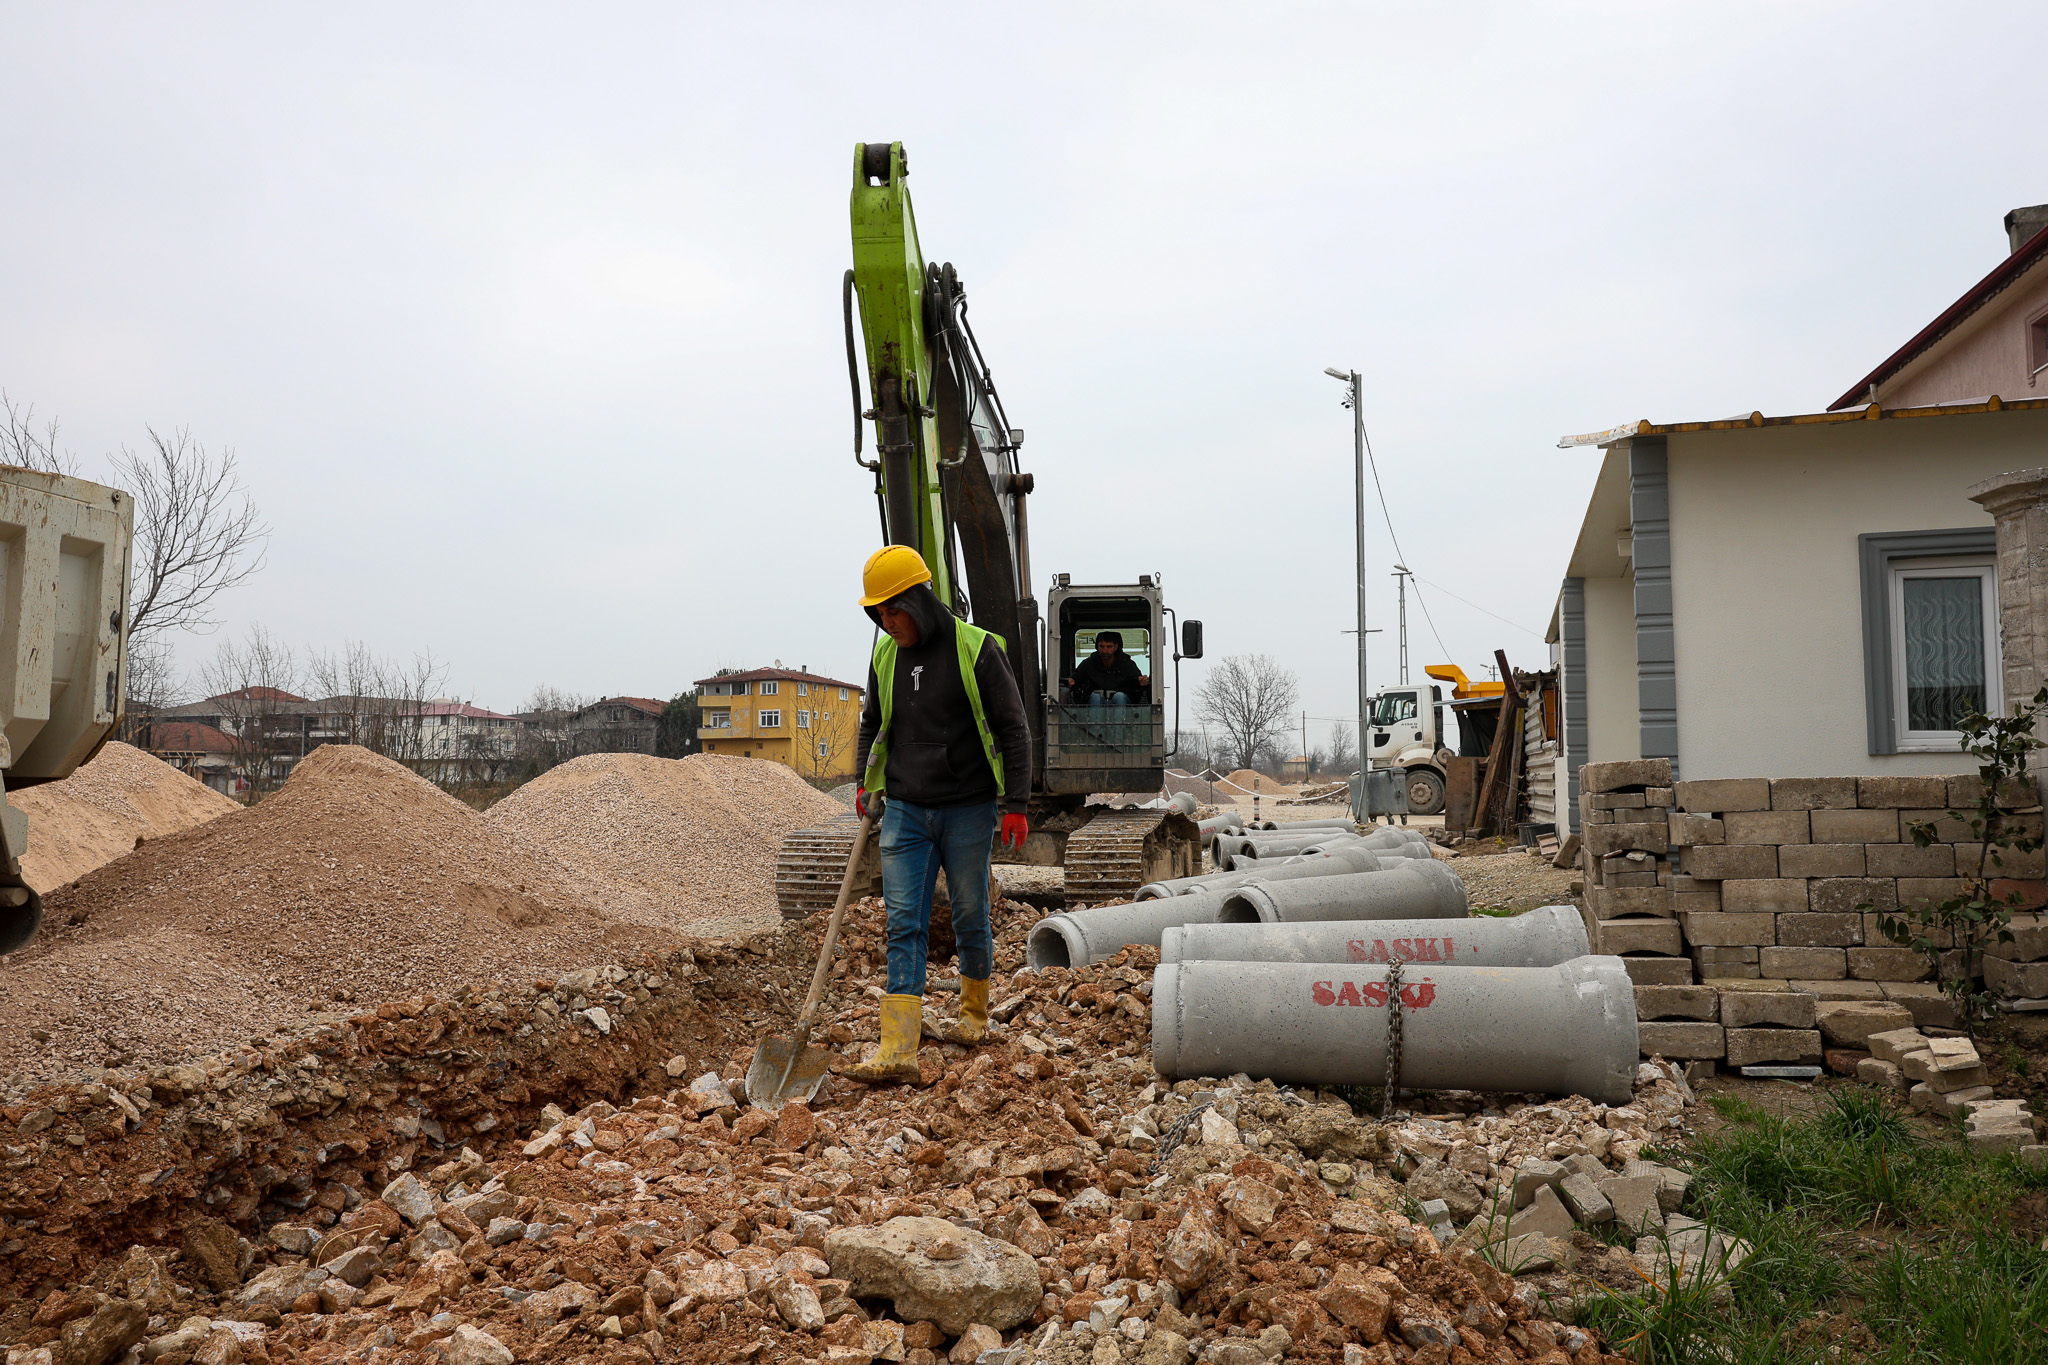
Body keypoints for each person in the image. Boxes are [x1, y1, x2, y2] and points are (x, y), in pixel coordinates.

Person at [845, 545, 1032, 1084]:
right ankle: (898, 1048)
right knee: (904, 922)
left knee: (970, 912)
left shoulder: (976, 651)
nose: (887, 623)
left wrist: (1015, 804)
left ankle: (973, 1017)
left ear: (918, 601)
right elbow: (871, 723)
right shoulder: (885, 656)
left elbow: (1014, 729)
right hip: (905, 809)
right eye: (878, 614)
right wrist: (864, 781)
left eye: (893, 611)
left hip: (967, 808)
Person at [1064, 630, 1149, 705]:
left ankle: (1120, 723)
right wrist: (1072, 681)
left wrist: (1141, 681)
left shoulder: (1127, 664)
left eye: (1109, 647)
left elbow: (1136, 681)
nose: (1105, 651)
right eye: (1102, 646)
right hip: (1095, 702)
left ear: (1116, 647)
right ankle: (1095, 723)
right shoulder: (1089, 663)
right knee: (1095, 696)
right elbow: (1077, 677)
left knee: (1119, 697)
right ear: (1097, 646)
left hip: (1122, 702)